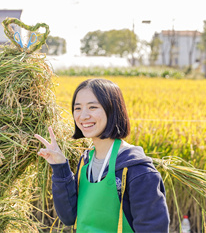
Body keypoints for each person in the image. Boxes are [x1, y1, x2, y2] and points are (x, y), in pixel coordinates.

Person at [35, 78, 170, 232]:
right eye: (77, 108)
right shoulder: (86, 162)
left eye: (92, 107)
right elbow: (69, 217)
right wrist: (60, 167)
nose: (83, 116)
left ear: (112, 110)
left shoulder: (137, 170)